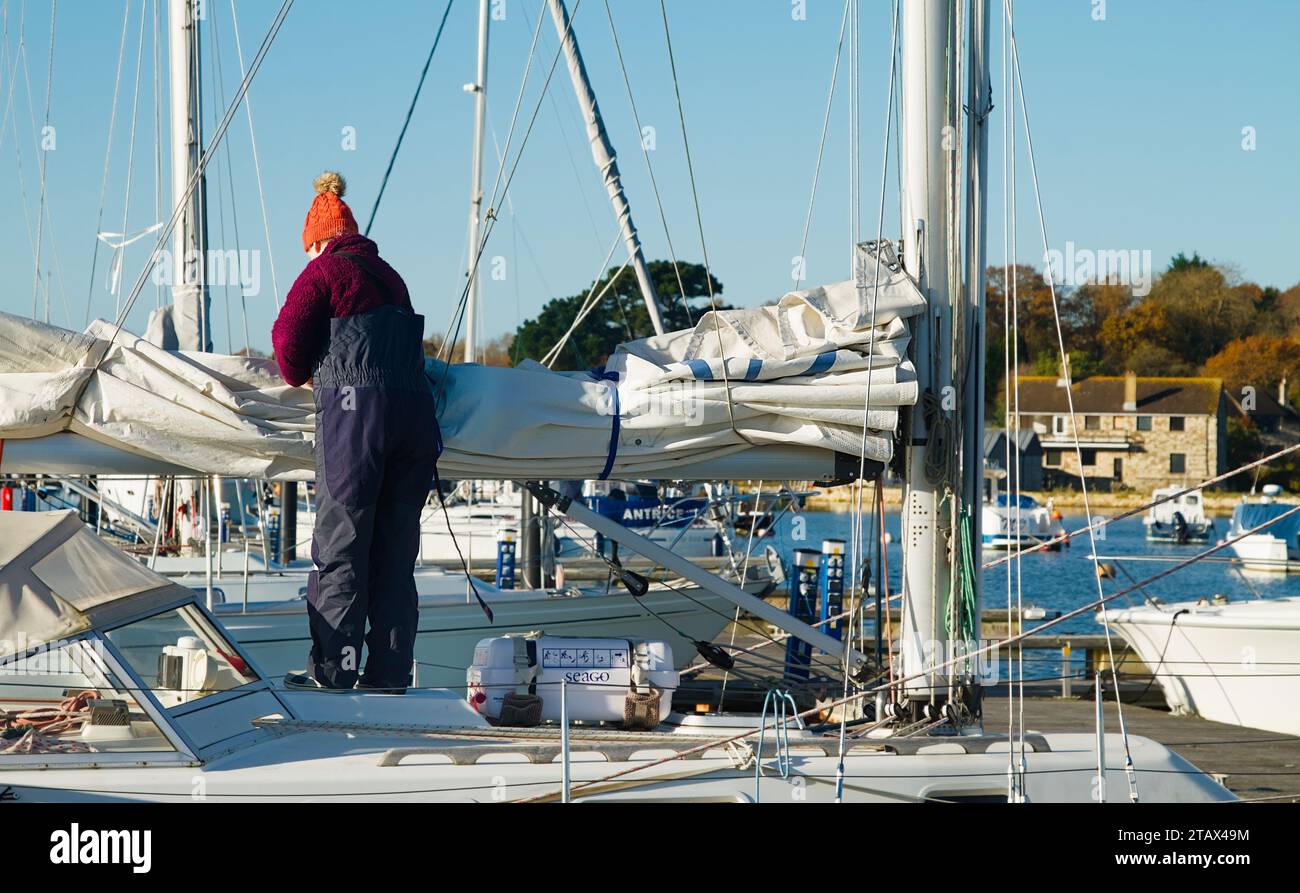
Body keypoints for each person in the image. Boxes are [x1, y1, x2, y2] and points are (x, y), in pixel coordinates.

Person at [271, 171, 440, 693]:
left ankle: (334, 676)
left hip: (356, 418)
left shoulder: (323, 273)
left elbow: (289, 354)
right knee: (394, 554)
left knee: (341, 548)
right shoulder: (392, 277)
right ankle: (389, 678)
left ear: (317, 241)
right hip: (414, 419)